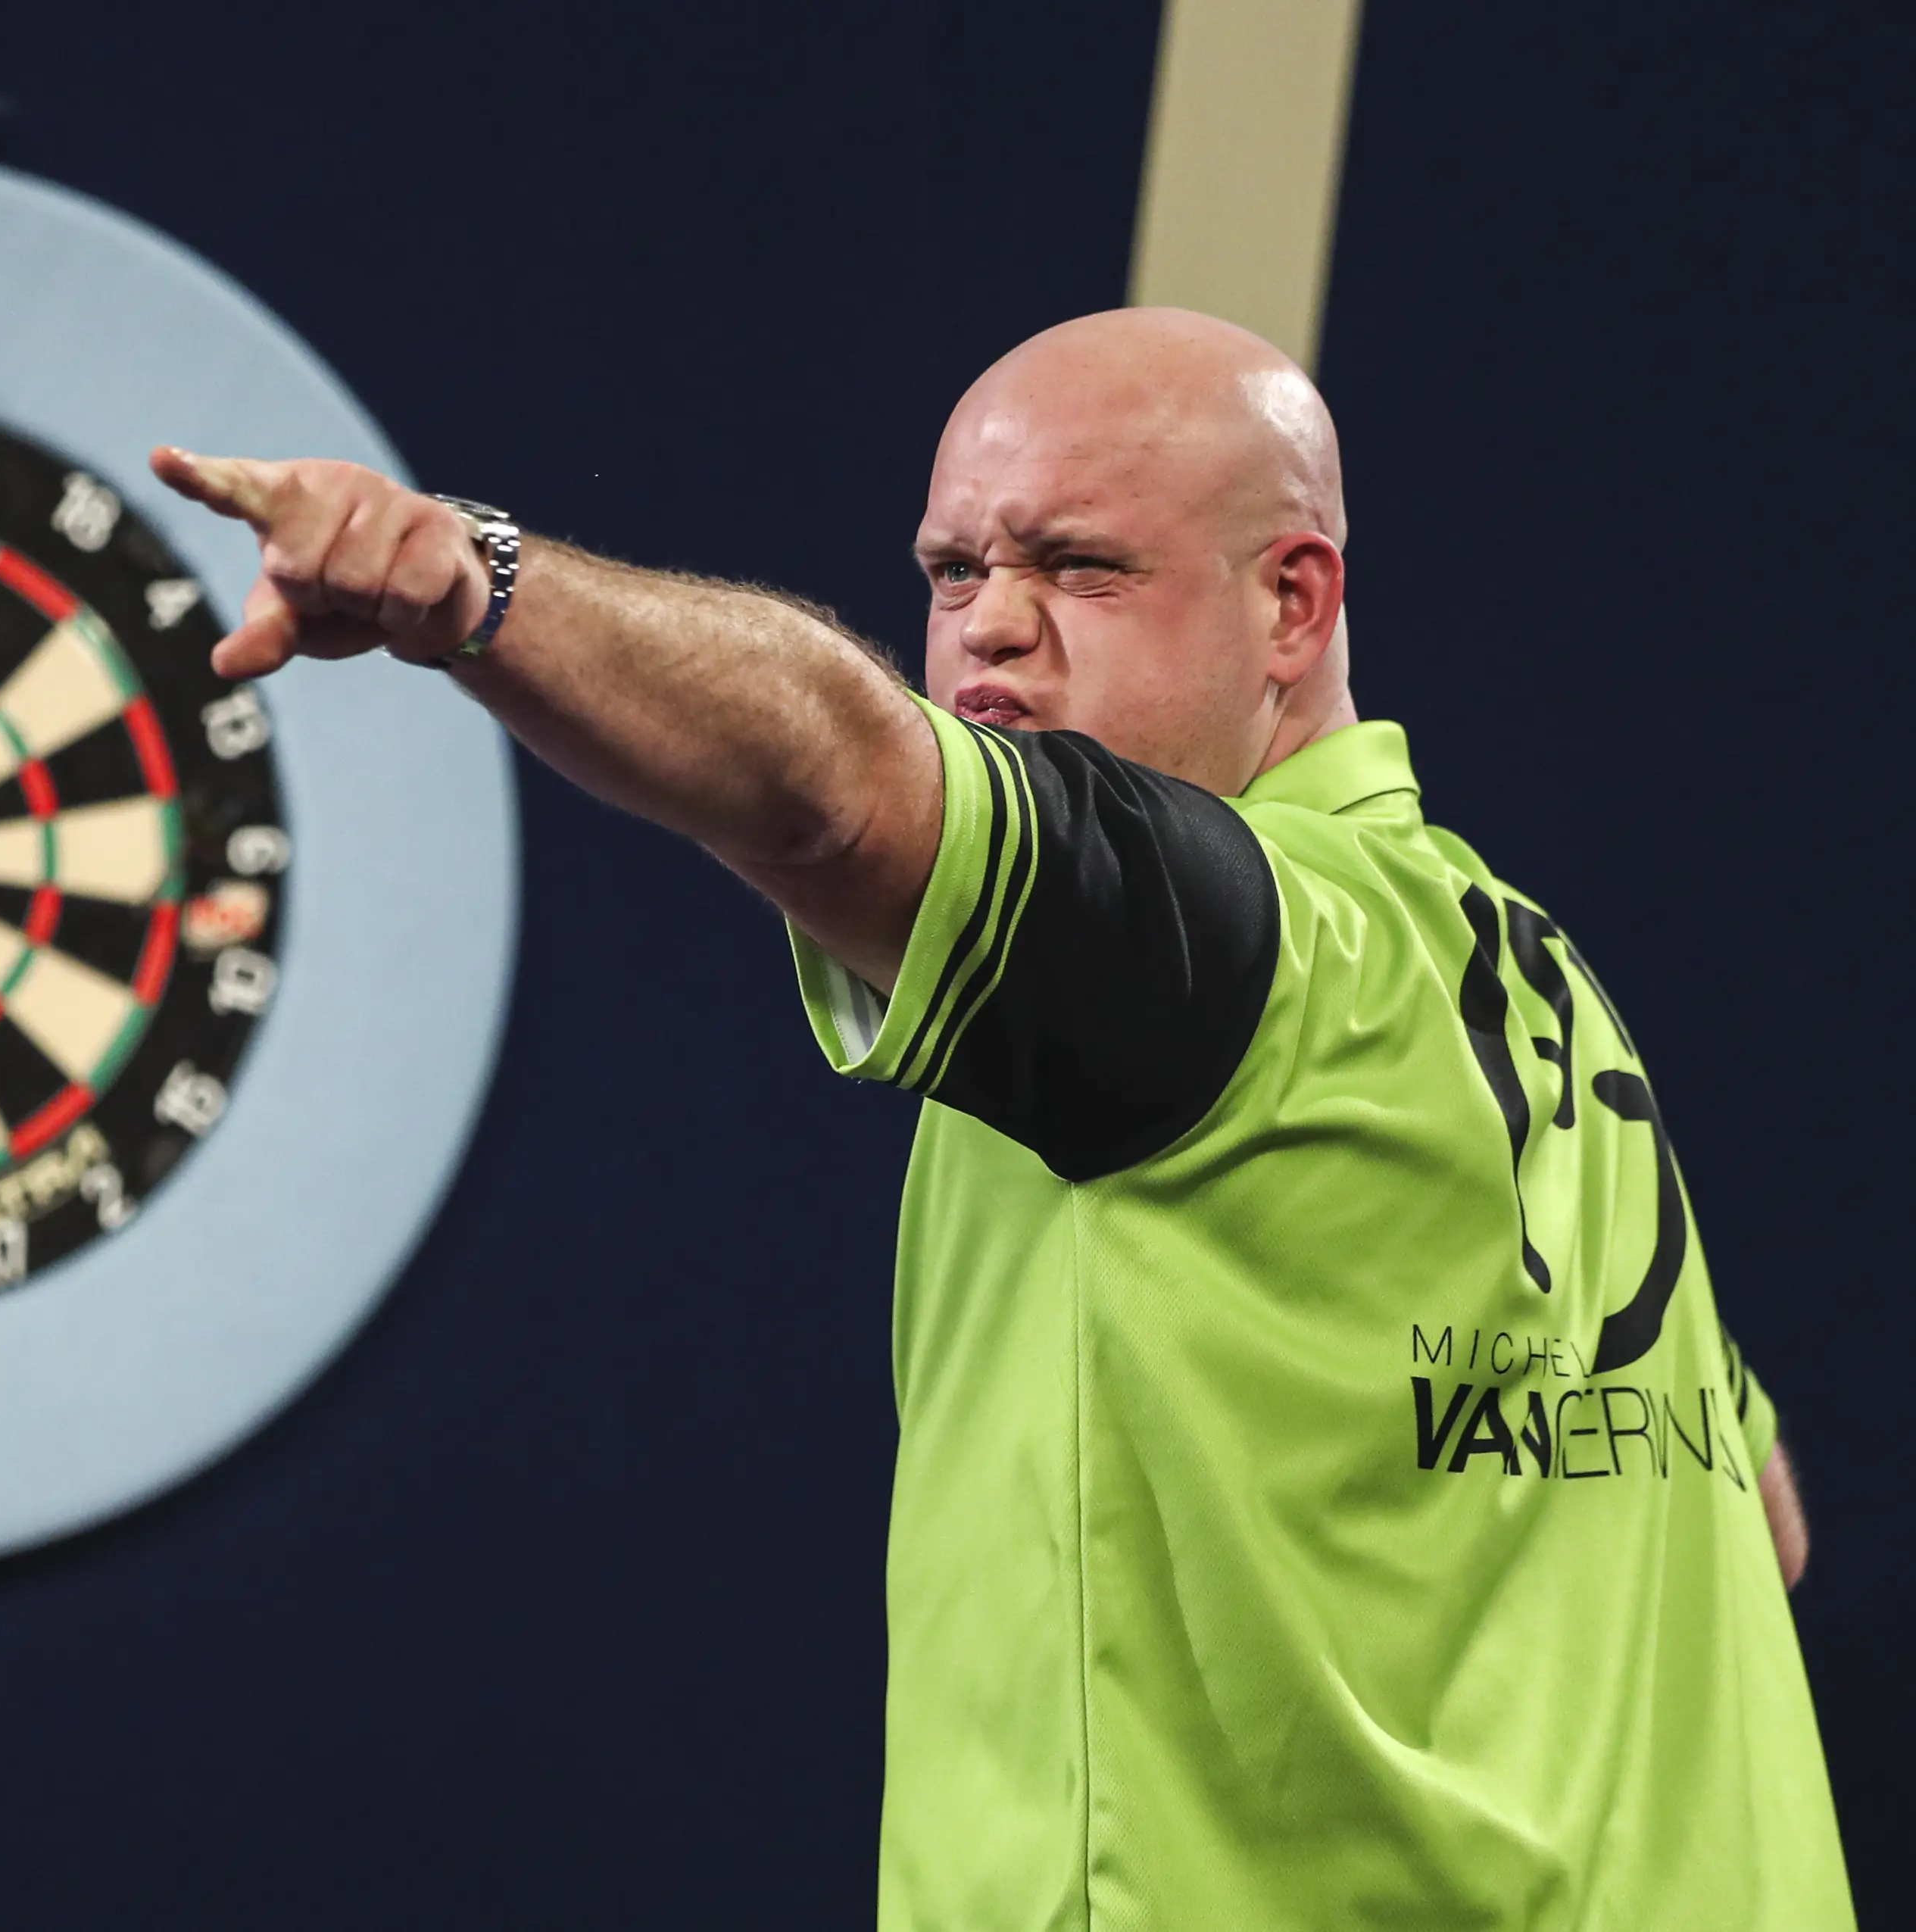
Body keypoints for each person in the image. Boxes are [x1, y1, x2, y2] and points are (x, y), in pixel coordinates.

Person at [149, 307, 1852, 1927]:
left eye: (1080, 567)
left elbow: (834, 791)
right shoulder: (1525, 988)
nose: (989, 627)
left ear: (1293, 604)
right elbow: (1753, 1512)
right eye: (955, 570)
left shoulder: (1238, 956)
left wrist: (473, 583)